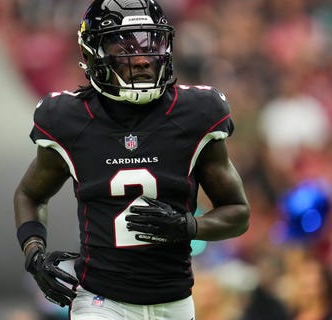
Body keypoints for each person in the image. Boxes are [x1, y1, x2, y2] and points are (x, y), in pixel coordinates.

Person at [13, 0, 251, 319]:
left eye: (151, 43)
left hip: (174, 303)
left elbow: (238, 212)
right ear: (92, 53)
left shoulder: (197, 113)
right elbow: (29, 194)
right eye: (123, 45)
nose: (141, 58)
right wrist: (34, 253)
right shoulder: (68, 119)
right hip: (101, 301)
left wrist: (189, 226)